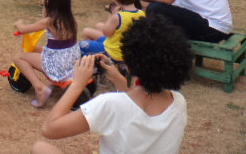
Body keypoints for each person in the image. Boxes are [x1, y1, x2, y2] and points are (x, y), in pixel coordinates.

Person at [32, 15, 192, 154]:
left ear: (128, 62)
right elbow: (135, 110)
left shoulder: (109, 104)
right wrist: (119, 81)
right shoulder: (178, 102)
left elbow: (49, 128)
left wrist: (77, 84)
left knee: (40, 147)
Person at [13, 0, 80, 108]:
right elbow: (59, 46)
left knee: (19, 58)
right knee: (36, 50)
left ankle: (39, 88)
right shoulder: (71, 19)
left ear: (47, 2)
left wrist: (19, 23)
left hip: (58, 65)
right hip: (70, 60)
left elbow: (24, 29)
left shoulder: (49, 21)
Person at [79, 0, 145, 62]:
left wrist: (112, 14)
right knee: (87, 31)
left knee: (81, 45)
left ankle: (93, 65)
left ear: (117, 0)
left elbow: (106, 32)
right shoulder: (141, 13)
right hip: (125, 50)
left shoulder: (118, 17)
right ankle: (94, 62)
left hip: (112, 53)